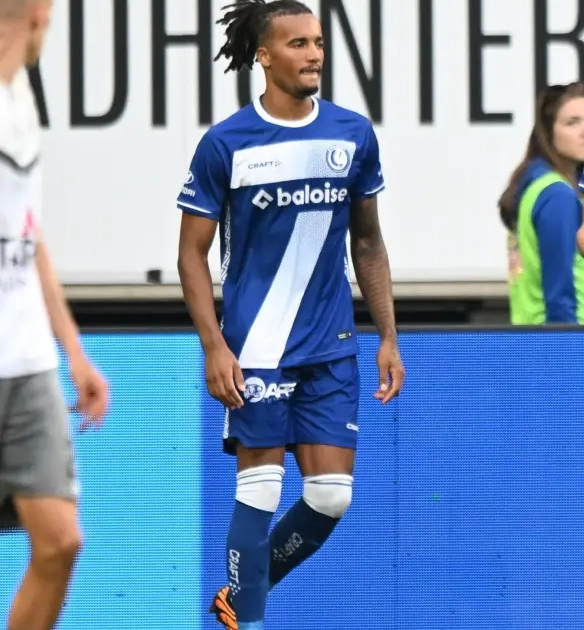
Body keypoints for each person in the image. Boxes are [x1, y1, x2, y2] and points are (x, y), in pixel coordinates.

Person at [174, 1, 404, 628]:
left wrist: (387, 334)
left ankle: (242, 593)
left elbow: (368, 241)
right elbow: (191, 255)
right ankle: (248, 618)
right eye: (298, 44)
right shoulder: (225, 144)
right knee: (262, 491)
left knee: (330, 497)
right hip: (258, 347)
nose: (314, 55)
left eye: (319, 42)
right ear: (264, 56)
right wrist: (214, 345)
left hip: (332, 344)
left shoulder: (352, 134)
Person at [0, 1, 110, 629]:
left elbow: (30, 234)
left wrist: (74, 351)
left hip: (28, 365)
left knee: (60, 541)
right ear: (39, 14)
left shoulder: (20, 97)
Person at [500, 82, 584, 325]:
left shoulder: (534, 186)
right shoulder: (557, 196)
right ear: (548, 131)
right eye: (572, 123)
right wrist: (566, 341)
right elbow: (559, 290)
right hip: (571, 336)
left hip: (538, 334)